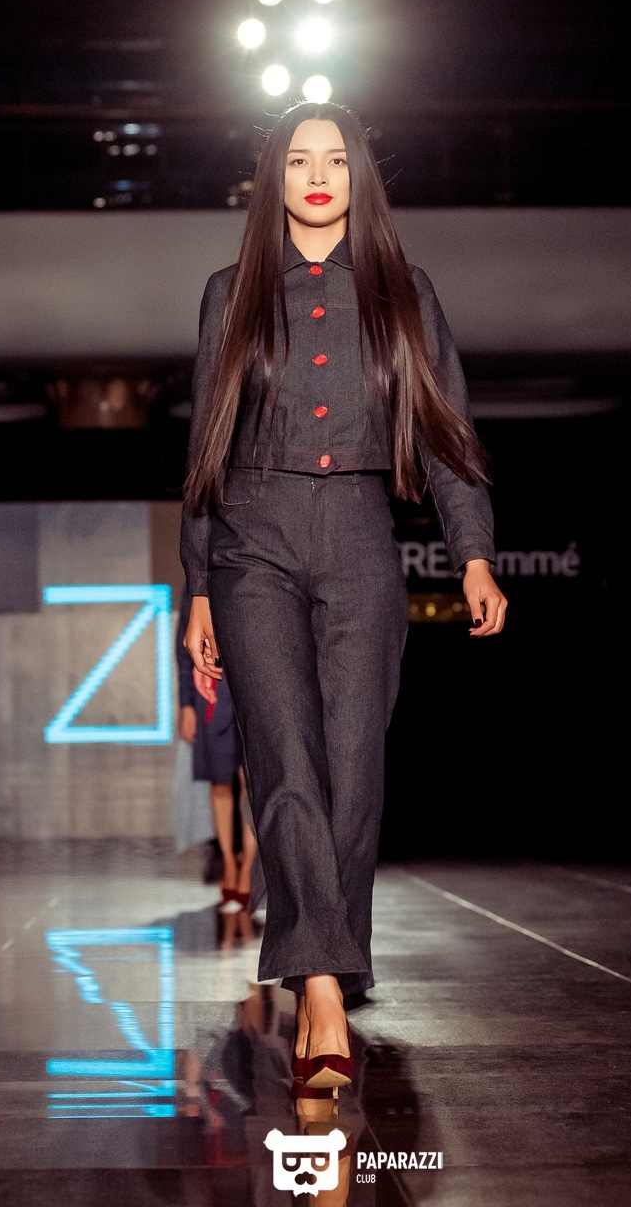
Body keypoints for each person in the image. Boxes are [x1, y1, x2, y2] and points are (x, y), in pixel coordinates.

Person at [180, 100, 506, 1090]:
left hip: (363, 535)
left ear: (358, 176)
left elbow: (446, 430)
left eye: (334, 159)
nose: (317, 176)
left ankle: (331, 953)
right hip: (253, 541)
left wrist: (474, 552)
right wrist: (198, 586)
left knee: (354, 765)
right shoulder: (231, 293)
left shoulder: (404, 292)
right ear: (273, 180)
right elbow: (205, 447)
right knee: (283, 759)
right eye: (297, 161)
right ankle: (319, 986)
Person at [175, 586, 257, 910]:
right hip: (212, 689)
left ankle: (248, 867)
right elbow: (185, 646)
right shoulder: (198, 582)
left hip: (254, 687)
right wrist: (186, 705)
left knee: (254, 783)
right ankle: (229, 864)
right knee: (220, 782)